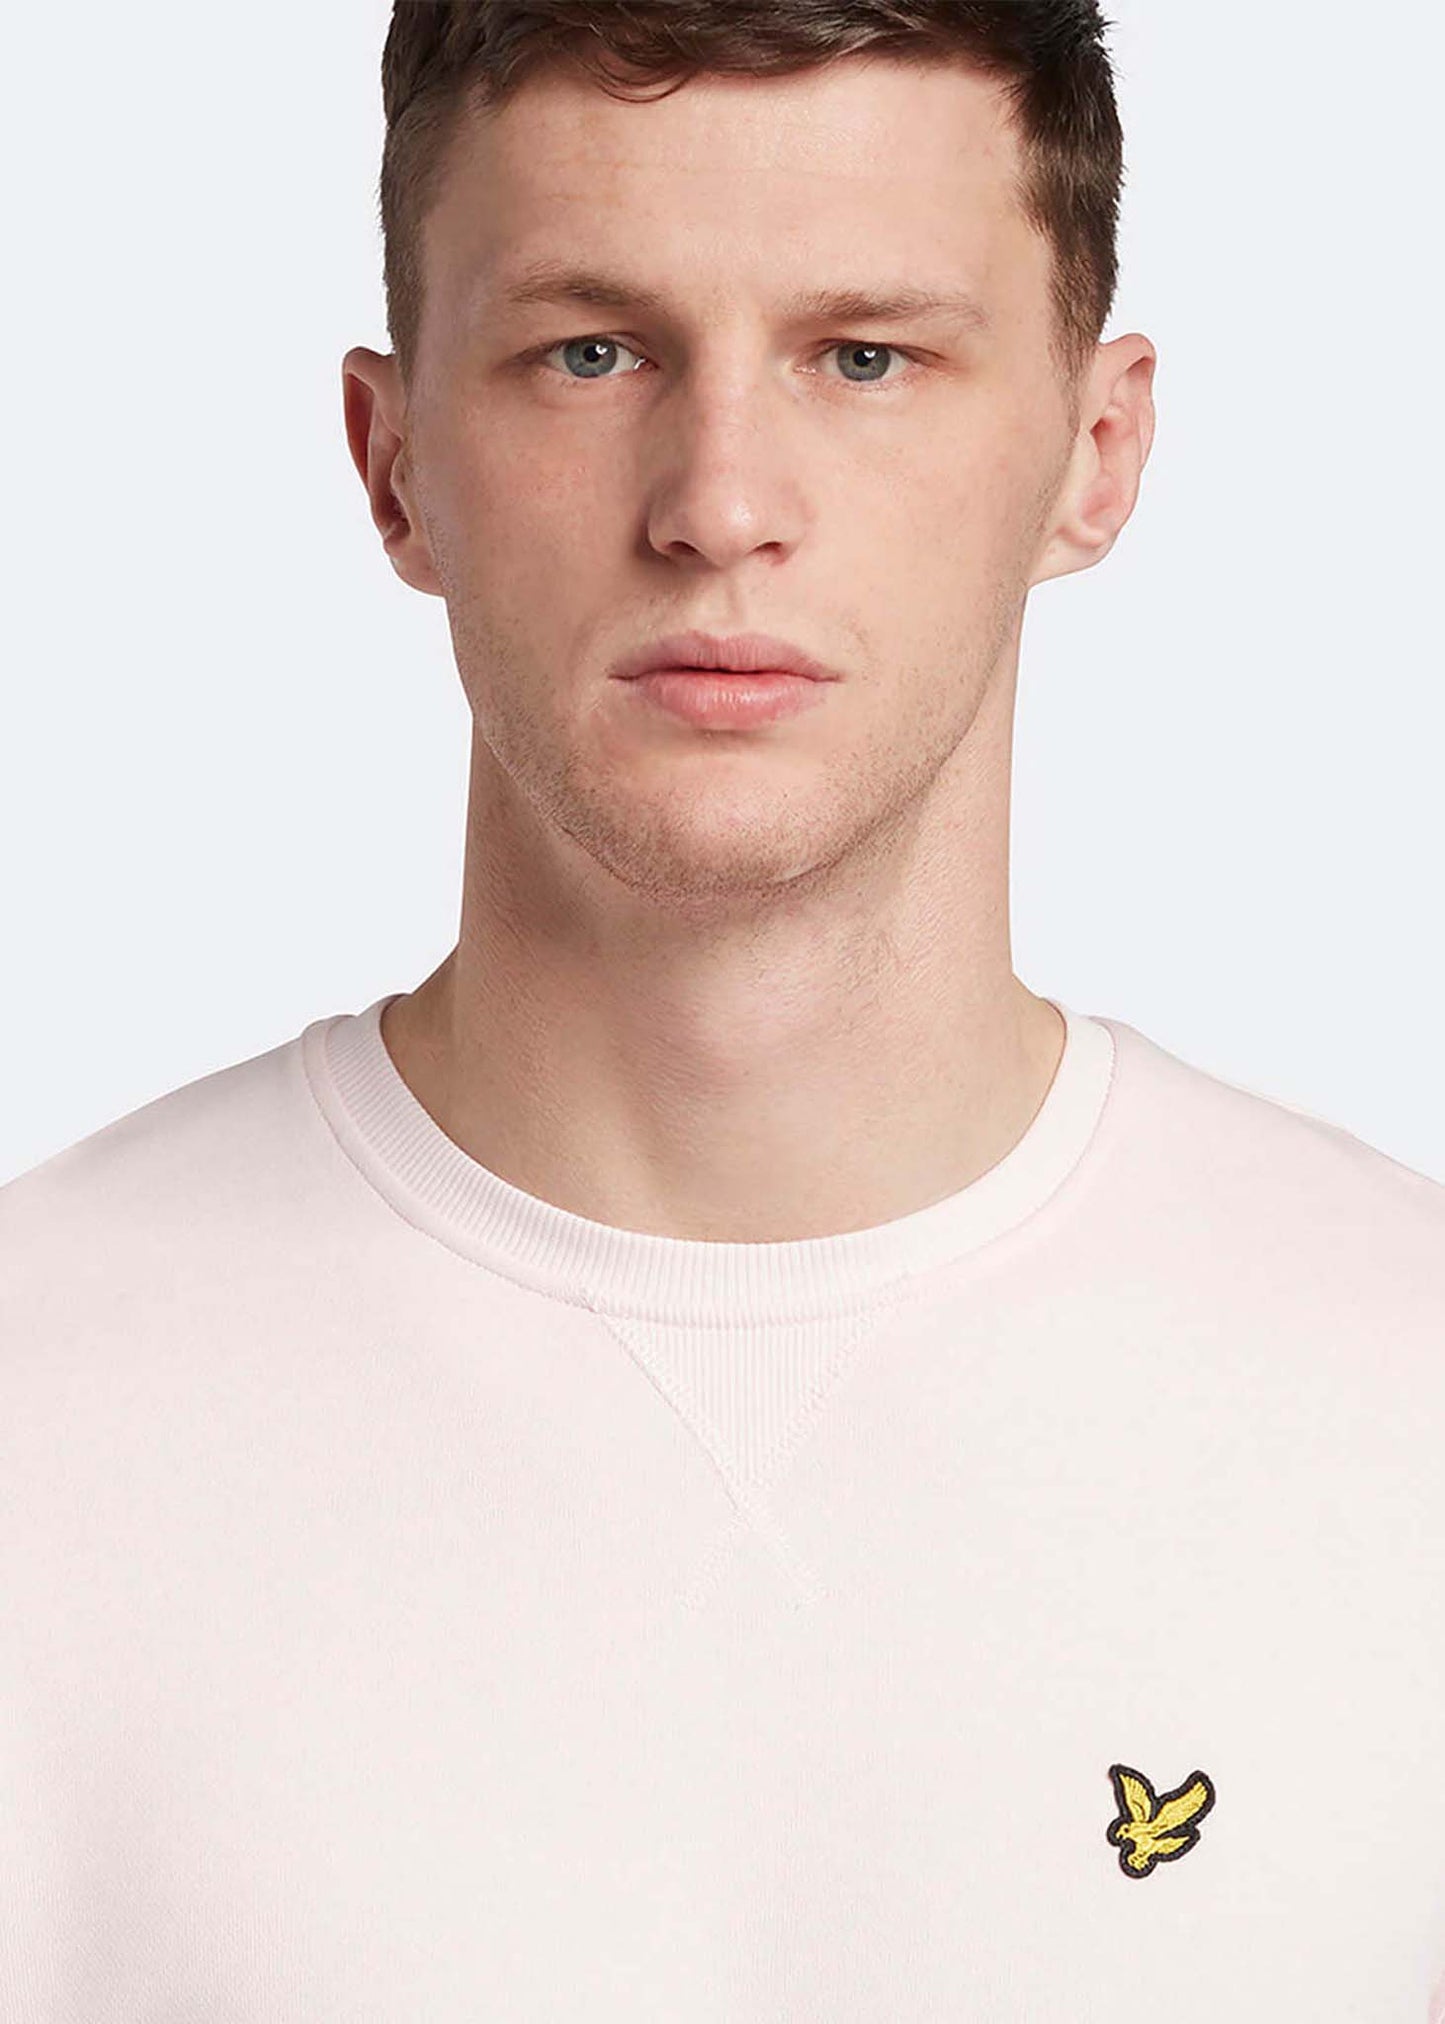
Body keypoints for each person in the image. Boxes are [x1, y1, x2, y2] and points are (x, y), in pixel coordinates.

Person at [3, 4, 1442, 2018]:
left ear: (1096, 453)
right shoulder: (36, 1418)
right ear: (392, 462)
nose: (720, 502)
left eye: (865, 357)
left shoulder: (1408, 1407)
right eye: (592, 352)